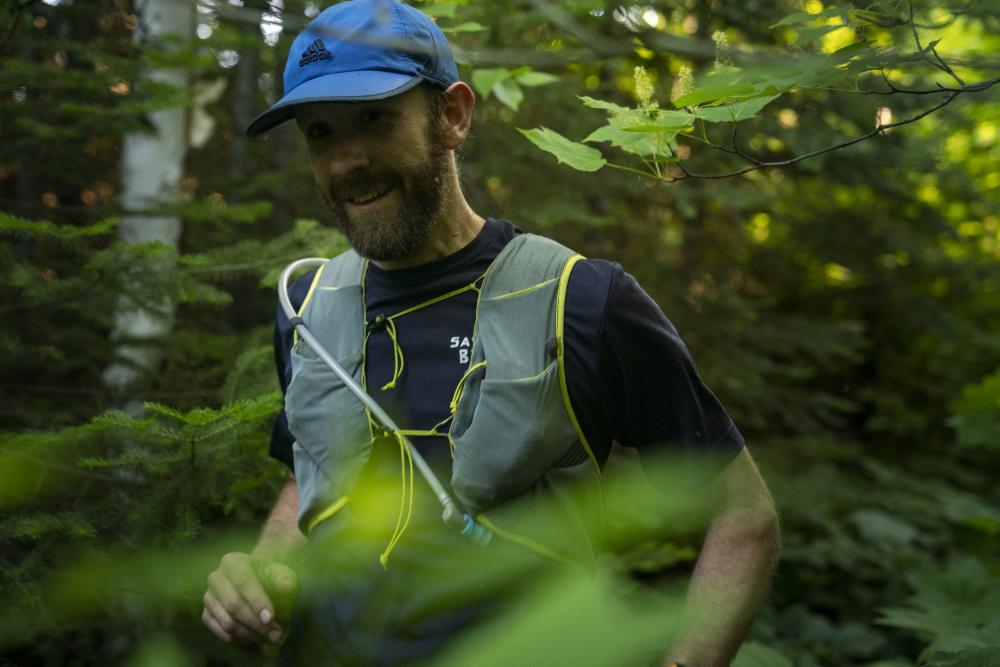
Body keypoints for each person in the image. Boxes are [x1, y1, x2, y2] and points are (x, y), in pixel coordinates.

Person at [202, 1, 780, 665]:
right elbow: (308, 476)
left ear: (453, 115)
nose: (345, 161)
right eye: (319, 133)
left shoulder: (583, 302)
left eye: (373, 119)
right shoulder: (307, 306)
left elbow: (742, 516)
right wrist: (264, 572)